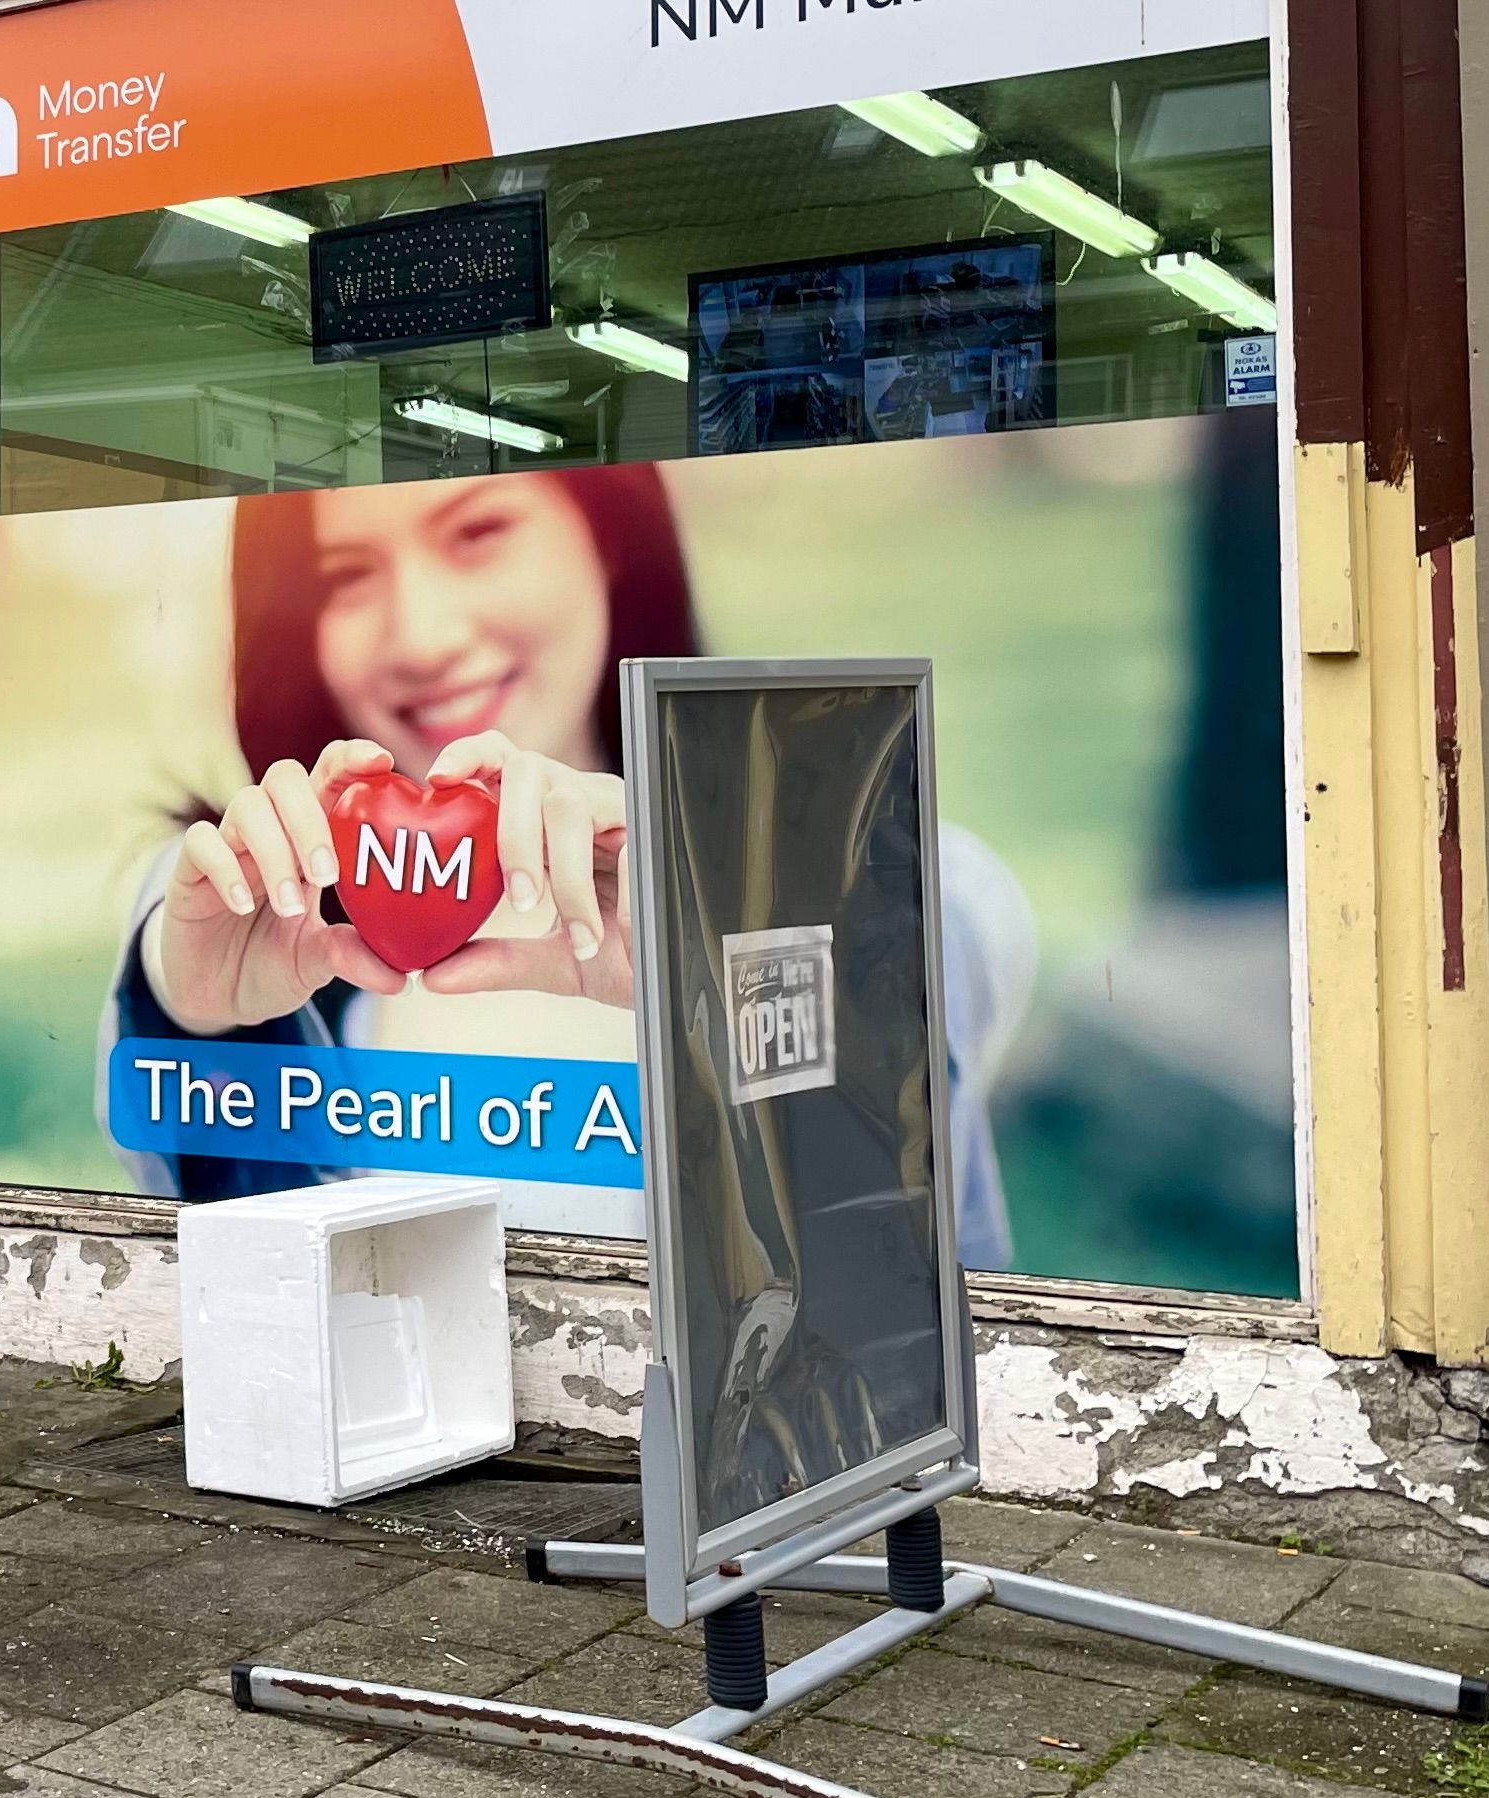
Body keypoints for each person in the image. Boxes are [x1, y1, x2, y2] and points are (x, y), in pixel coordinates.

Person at [102, 463, 1029, 1271]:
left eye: (478, 533)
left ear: (609, 534)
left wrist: (738, 955)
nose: (420, 635)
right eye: (345, 576)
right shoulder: (247, 899)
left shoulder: (890, 881)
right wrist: (197, 1016)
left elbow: (897, 1268)